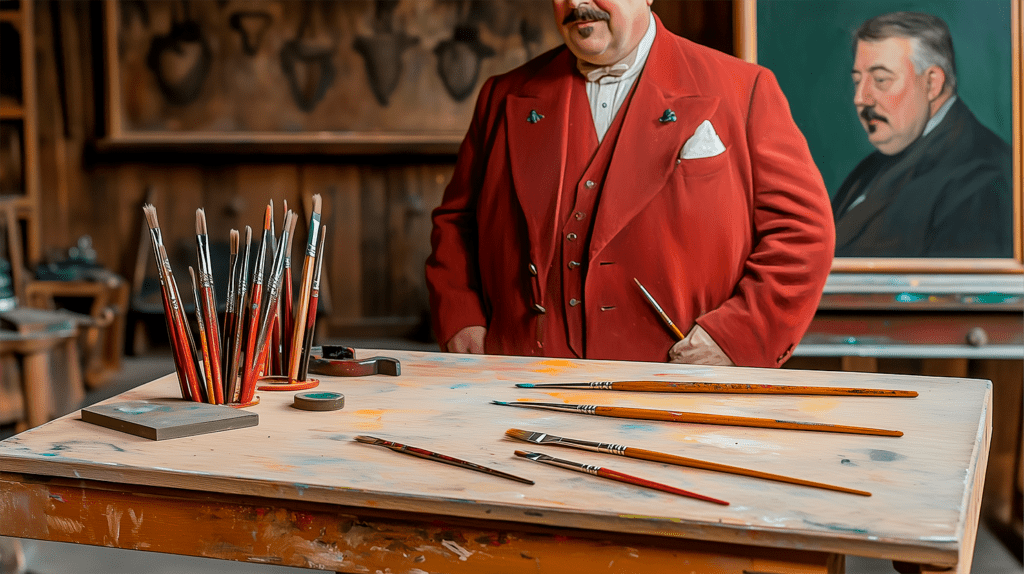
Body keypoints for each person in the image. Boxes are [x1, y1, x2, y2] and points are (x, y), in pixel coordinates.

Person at [425, 0, 834, 367]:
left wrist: (736, 337)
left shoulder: (746, 88)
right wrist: (461, 317)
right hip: (517, 380)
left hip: (676, 384)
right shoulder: (503, 95)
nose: (577, 4)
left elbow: (802, 233)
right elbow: (457, 222)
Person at [833, 11, 1013, 258]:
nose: (860, 98)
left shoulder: (981, 182)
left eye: (881, 79)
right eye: (857, 81)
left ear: (932, 83)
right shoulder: (877, 164)